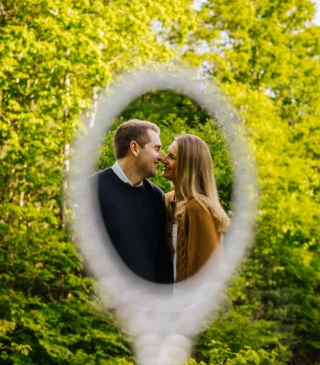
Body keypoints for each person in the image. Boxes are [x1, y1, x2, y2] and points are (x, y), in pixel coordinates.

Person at [95, 119, 173, 284]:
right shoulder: (91, 189)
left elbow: (162, 260)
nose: (160, 157)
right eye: (156, 149)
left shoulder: (156, 196)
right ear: (134, 148)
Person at [162, 134, 229, 282]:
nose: (163, 159)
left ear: (187, 166)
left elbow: (206, 277)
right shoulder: (167, 200)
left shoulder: (198, 209)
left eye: (172, 157)